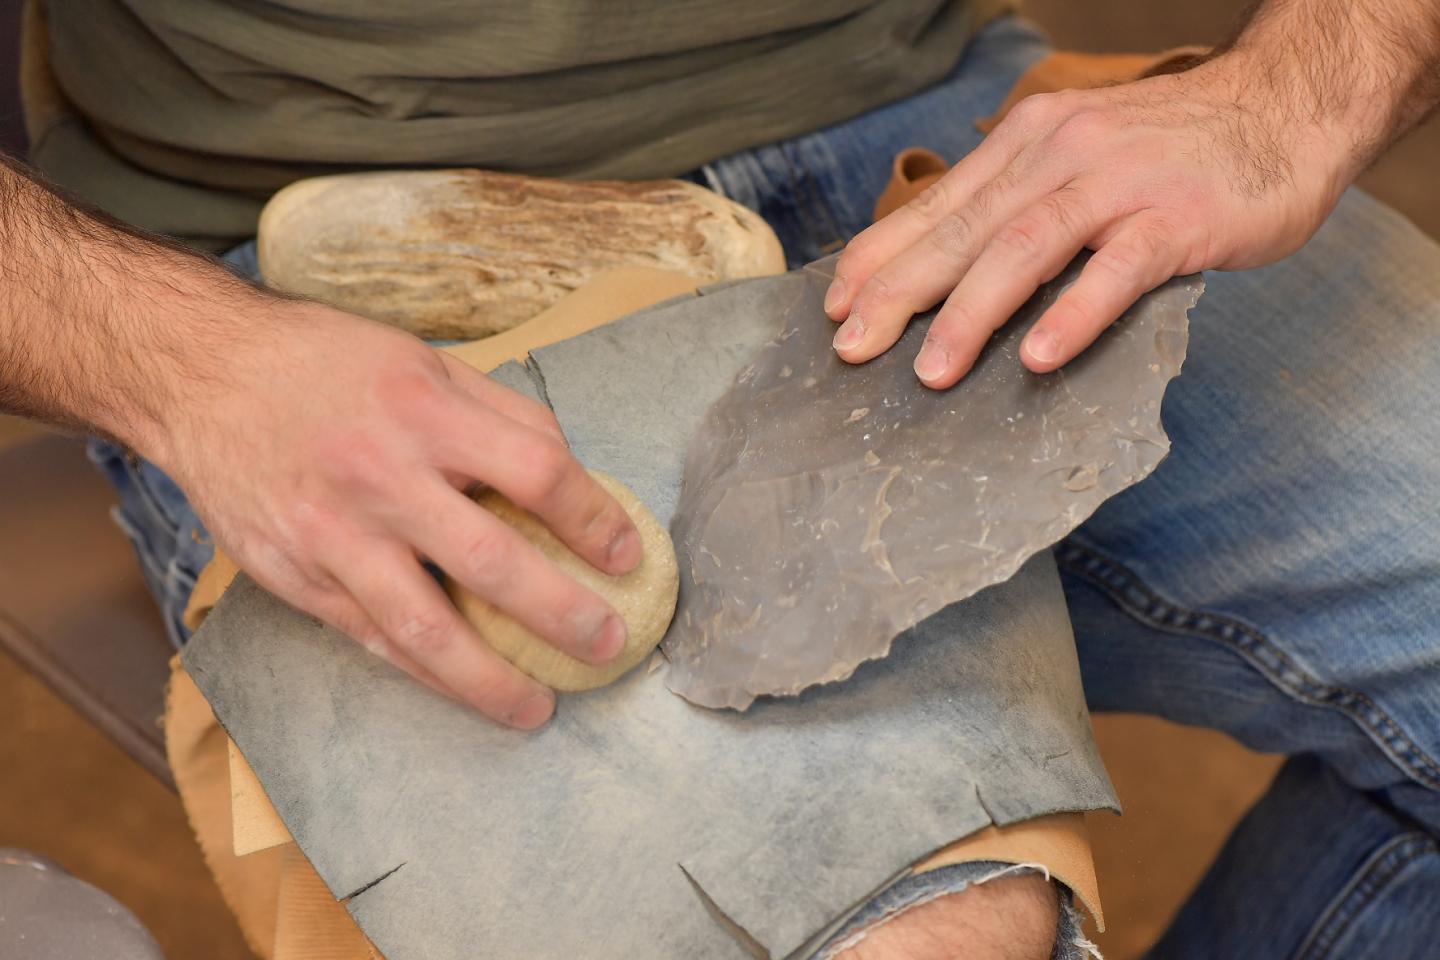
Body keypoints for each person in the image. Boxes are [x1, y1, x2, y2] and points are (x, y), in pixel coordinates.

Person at [2, 0, 1438, 956]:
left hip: (960, 144)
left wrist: (1298, 86)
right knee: (924, 935)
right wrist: (189, 367)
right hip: (315, 273)